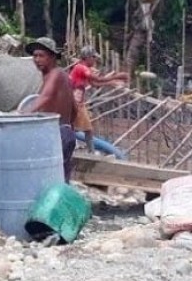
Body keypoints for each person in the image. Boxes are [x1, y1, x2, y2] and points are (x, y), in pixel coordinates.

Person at [24, 37, 79, 182]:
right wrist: (69, 128)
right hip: (65, 132)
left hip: (56, 133)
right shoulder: (63, 76)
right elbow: (75, 108)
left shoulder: (55, 74)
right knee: (61, 179)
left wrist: (22, 115)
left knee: (49, 178)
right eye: (34, 56)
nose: (37, 60)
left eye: (41, 55)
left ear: (53, 57)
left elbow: (45, 97)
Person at [69, 46, 129, 153]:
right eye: (93, 58)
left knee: (81, 129)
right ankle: (90, 152)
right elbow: (96, 79)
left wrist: (111, 82)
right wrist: (116, 77)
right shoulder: (81, 68)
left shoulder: (82, 68)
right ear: (87, 57)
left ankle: (86, 151)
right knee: (86, 130)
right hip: (74, 103)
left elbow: (95, 83)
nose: (95, 60)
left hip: (77, 103)